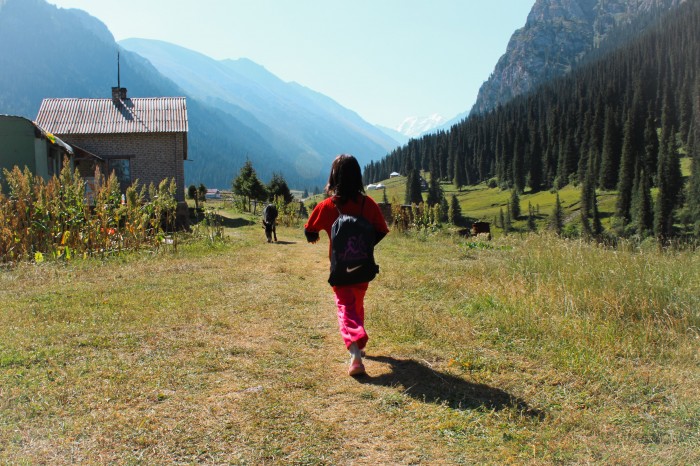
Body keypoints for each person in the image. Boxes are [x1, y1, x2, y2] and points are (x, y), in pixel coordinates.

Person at [304, 154, 389, 376]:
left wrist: (316, 236)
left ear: (334, 176)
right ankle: (358, 345)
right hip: (363, 268)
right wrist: (365, 246)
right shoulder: (368, 204)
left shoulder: (327, 206)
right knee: (356, 304)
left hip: (340, 269)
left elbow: (309, 230)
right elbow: (382, 230)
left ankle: (355, 353)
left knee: (345, 308)